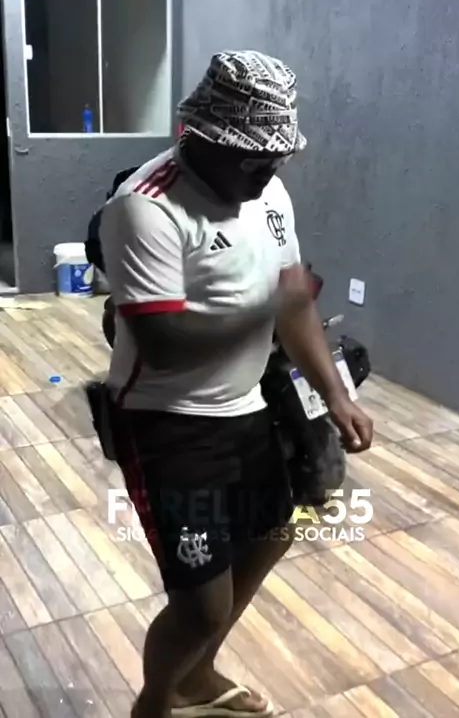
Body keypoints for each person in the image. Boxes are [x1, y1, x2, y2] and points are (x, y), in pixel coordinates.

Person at [99, 50, 373, 718]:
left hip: (244, 405)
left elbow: (293, 301)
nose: (268, 173)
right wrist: (264, 311)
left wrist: (335, 395)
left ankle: (197, 677)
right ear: (201, 137)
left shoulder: (267, 191)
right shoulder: (144, 208)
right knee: (200, 603)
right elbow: (162, 344)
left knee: (273, 532)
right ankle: (154, 705)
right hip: (165, 421)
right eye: (252, 159)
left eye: (276, 158)